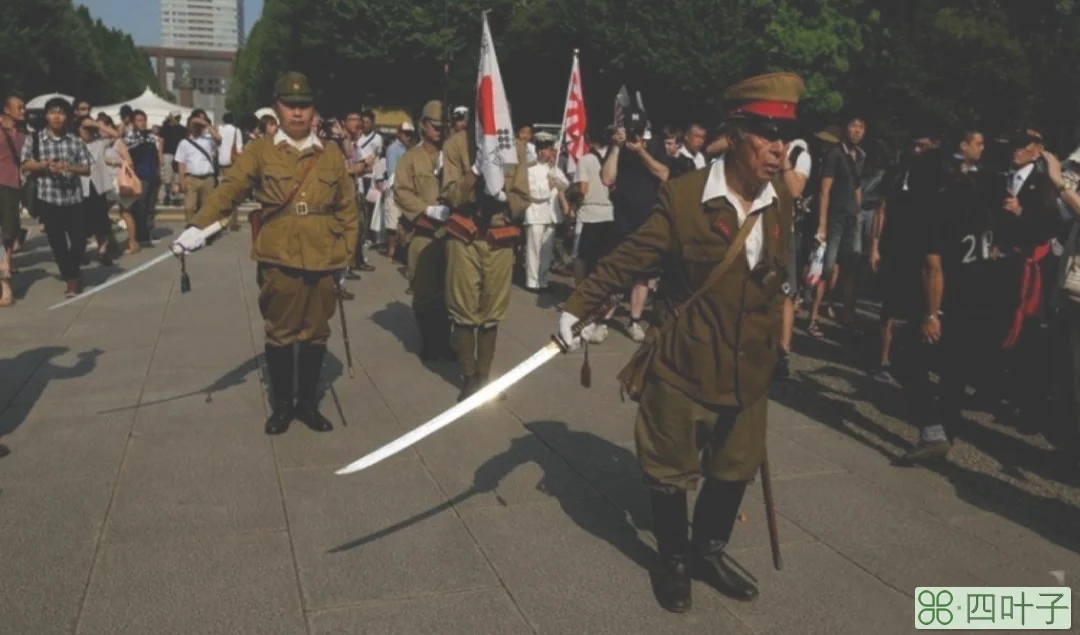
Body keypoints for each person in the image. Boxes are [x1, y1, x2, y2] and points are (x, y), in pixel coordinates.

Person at [557, 72, 803, 613]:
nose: (778, 148)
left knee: (734, 467)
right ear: (736, 133)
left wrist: (779, 344)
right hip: (687, 360)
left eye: (784, 134)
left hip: (750, 368)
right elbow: (630, 256)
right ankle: (672, 560)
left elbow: (776, 279)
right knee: (668, 470)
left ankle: (708, 551)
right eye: (766, 133)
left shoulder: (780, 200)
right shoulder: (686, 197)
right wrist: (578, 306)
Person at [172, 72, 361, 436]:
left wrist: (346, 258)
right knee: (281, 333)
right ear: (278, 107)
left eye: (304, 106)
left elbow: (347, 209)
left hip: (324, 255)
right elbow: (230, 190)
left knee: (316, 333)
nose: (298, 114)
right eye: (291, 106)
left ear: (313, 111)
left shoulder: (332, 154)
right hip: (280, 256)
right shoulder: (260, 151)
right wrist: (198, 226)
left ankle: (307, 403)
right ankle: (282, 406)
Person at [442, 109, 531, 402]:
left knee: (492, 311)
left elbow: (523, 199)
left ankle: (484, 375)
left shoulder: (515, 148)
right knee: (464, 309)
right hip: (465, 236)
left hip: (498, 237)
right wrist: (476, 172)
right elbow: (452, 195)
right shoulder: (457, 144)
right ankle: (468, 376)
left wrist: (503, 194)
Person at [393, 100, 454, 362]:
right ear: (423, 125)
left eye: (443, 126)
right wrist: (426, 210)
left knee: (450, 293)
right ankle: (430, 342)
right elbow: (401, 192)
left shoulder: (453, 157)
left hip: (452, 234)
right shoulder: (411, 158)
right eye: (435, 126)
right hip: (423, 232)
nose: (439, 131)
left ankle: (445, 342)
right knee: (424, 291)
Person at [20, 97, 92, 297]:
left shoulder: (75, 140)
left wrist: (69, 167)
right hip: (48, 198)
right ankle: (72, 279)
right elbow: (25, 163)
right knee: (57, 244)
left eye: (61, 112)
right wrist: (45, 165)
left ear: (67, 116)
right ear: (46, 115)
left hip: (74, 198)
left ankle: (72, 270)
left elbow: (87, 168)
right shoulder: (35, 139)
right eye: (53, 112)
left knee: (78, 242)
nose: (57, 117)